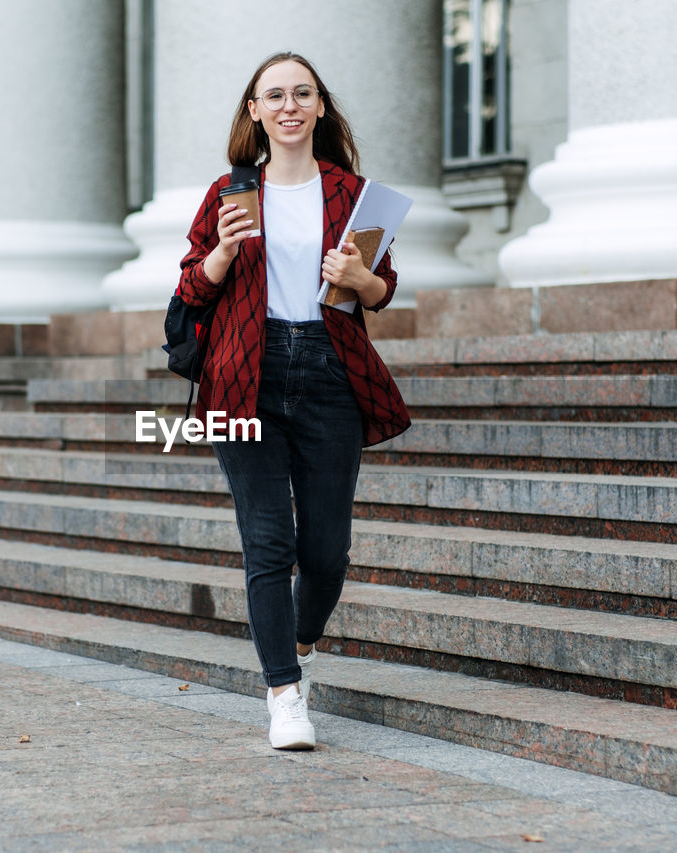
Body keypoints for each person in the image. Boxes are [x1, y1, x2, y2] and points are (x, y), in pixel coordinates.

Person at [176, 52, 411, 749]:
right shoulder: (230, 192)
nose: (288, 105)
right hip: (243, 374)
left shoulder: (353, 195)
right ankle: (284, 693)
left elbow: (382, 290)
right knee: (269, 543)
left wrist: (359, 276)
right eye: (273, 95)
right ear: (254, 111)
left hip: (327, 369)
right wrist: (219, 254)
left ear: (319, 107)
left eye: (301, 93)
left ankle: (300, 638)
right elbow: (191, 290)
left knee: (327, 551)